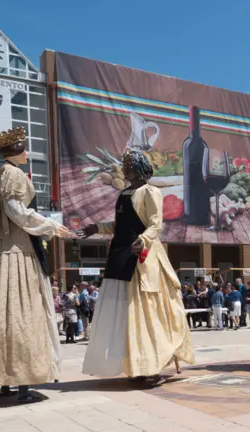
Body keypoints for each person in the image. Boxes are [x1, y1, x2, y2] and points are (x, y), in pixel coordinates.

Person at [0, 127, 69, 402]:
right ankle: (21, 386)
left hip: (2, 249)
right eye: (24, 148)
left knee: (2, 316)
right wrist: (50, 224)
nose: (28, 153)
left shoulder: (1, 174)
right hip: (17, 250)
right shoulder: (14, 174)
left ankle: (5, 384)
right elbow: (17, 211)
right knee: (23, 315)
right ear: (16, 151)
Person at [80, 150, 194, 384]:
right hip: (120, 253)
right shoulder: (124, 192)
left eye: (130, 165)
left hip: (142, 255)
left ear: (141, 168)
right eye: (125, 165)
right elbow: (121, 226)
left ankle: (150, 368)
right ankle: (137, 366)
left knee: (145, 311)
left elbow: (155, 224)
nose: (125, 169)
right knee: (127, 313)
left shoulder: (150, 192)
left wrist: (143, 240)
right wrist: (98, 228)